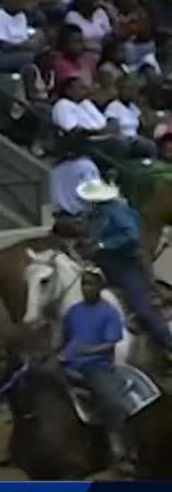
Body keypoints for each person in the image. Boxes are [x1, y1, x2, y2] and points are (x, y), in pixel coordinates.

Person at [77, 178, 172, 359]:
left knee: (142, 307)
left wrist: (103, 245)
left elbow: (131, 236)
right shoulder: (94, 214)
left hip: (126, 267)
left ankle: (168, 343)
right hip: (103, 265)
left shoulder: (118, 212)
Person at [59, 267, 133, 476]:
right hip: (67, 362)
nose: (85, 288)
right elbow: (63, 339)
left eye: (90, 283)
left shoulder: (108, 312)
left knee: (111, 401)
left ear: (101, 287)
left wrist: (88, 350)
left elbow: (110, 344)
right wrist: (58, 354)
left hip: (95, 365)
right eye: (83, 283)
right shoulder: (73, 312)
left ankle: (121, 452)